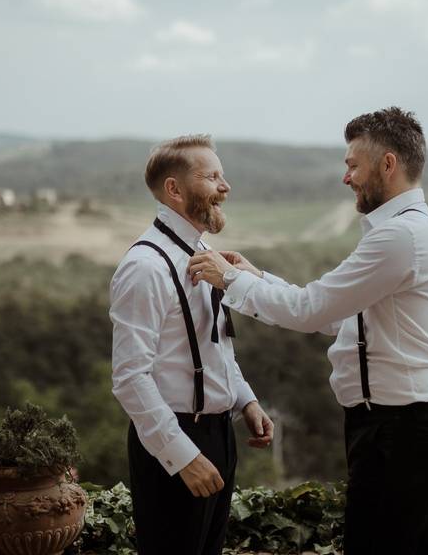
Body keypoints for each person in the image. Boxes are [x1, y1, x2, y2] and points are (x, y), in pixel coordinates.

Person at [187, 107, 428, 555]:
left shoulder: (399, 237)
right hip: (395, 429)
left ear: (387, 164)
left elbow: (310, 310)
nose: (346, 177)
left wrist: (230, 279)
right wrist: (259, 276)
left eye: (353, 164)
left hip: (400, 433)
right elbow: (340, 317)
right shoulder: (398, 232)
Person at [110, 134, 274, 555]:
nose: (226, 186)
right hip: (174, 438)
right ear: (175, 189)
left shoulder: (205, 253)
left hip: (221, 434)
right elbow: (130, 378)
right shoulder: (145, 267)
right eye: (212, 176)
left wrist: (245, 401)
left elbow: (215, 345)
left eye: (223, 175)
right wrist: (181, 455)